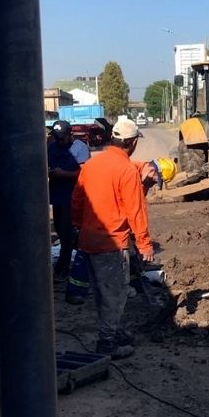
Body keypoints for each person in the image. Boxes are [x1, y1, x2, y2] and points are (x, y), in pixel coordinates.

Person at [72, 118, 154, 359]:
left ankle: (114, 331)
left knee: (102, 292)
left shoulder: (91, 165)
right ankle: (107, 344)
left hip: (89, 240)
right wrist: (144, 244)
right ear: (132, 142)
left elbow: (77, 200)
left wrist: (78, 226)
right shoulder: (126, 171)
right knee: (115, 294)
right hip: (112, 243)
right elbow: (135, 210)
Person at [48, 120, 88, 283]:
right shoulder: (51, 148)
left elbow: (85, 173)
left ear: (69, 135)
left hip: (73, 198)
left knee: (66, 234)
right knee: (62, 231)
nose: (59, 141)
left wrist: (63, 174)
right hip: (57, 196)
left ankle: (62, 268)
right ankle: (84, 256)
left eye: (62, 138)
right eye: (56, 138)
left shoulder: (80, 149)